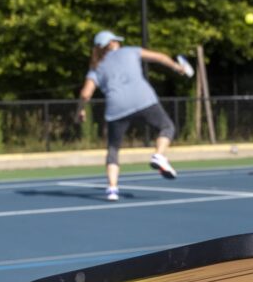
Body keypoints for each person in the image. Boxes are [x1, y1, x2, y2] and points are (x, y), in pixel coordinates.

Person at [75, 30, 187, 201]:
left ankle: (112, 189)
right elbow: (160, 58)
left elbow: (85, 94)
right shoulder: (130, 51)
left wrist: (80, 110)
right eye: (116, 41)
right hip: (143, 99)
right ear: (111, 44)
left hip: (116, 107)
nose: (119, 43)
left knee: (113, 148)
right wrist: (177, 67)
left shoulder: (96, 67)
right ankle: (159, 154)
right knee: (167, 127)